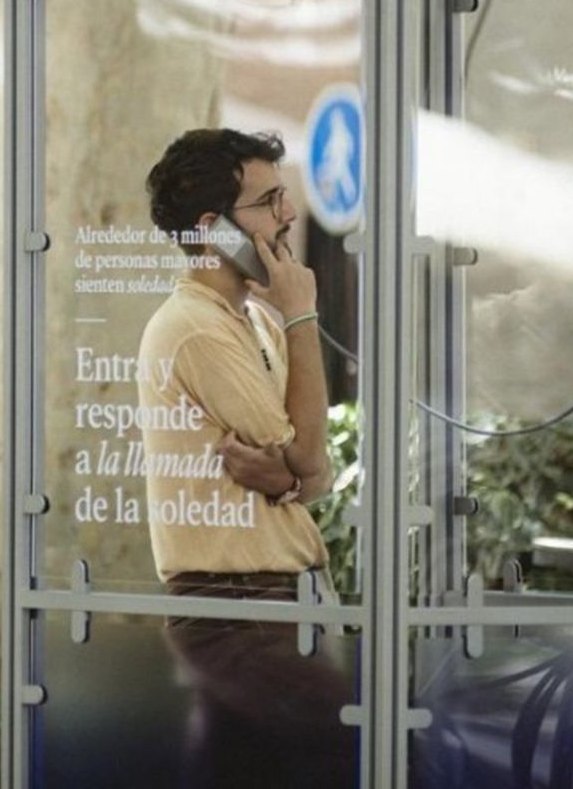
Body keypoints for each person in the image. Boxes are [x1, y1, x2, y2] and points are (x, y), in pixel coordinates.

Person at [137, 128, 355, 788]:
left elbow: (312, 473)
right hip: (235, 611)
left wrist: (288, 474)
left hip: (277, 601)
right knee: (364, 752)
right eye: (269, 202)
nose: (289, 216)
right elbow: (309, 450)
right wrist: (302, 315)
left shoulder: (253, 322)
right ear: (215, 229)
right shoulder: (197, 328)